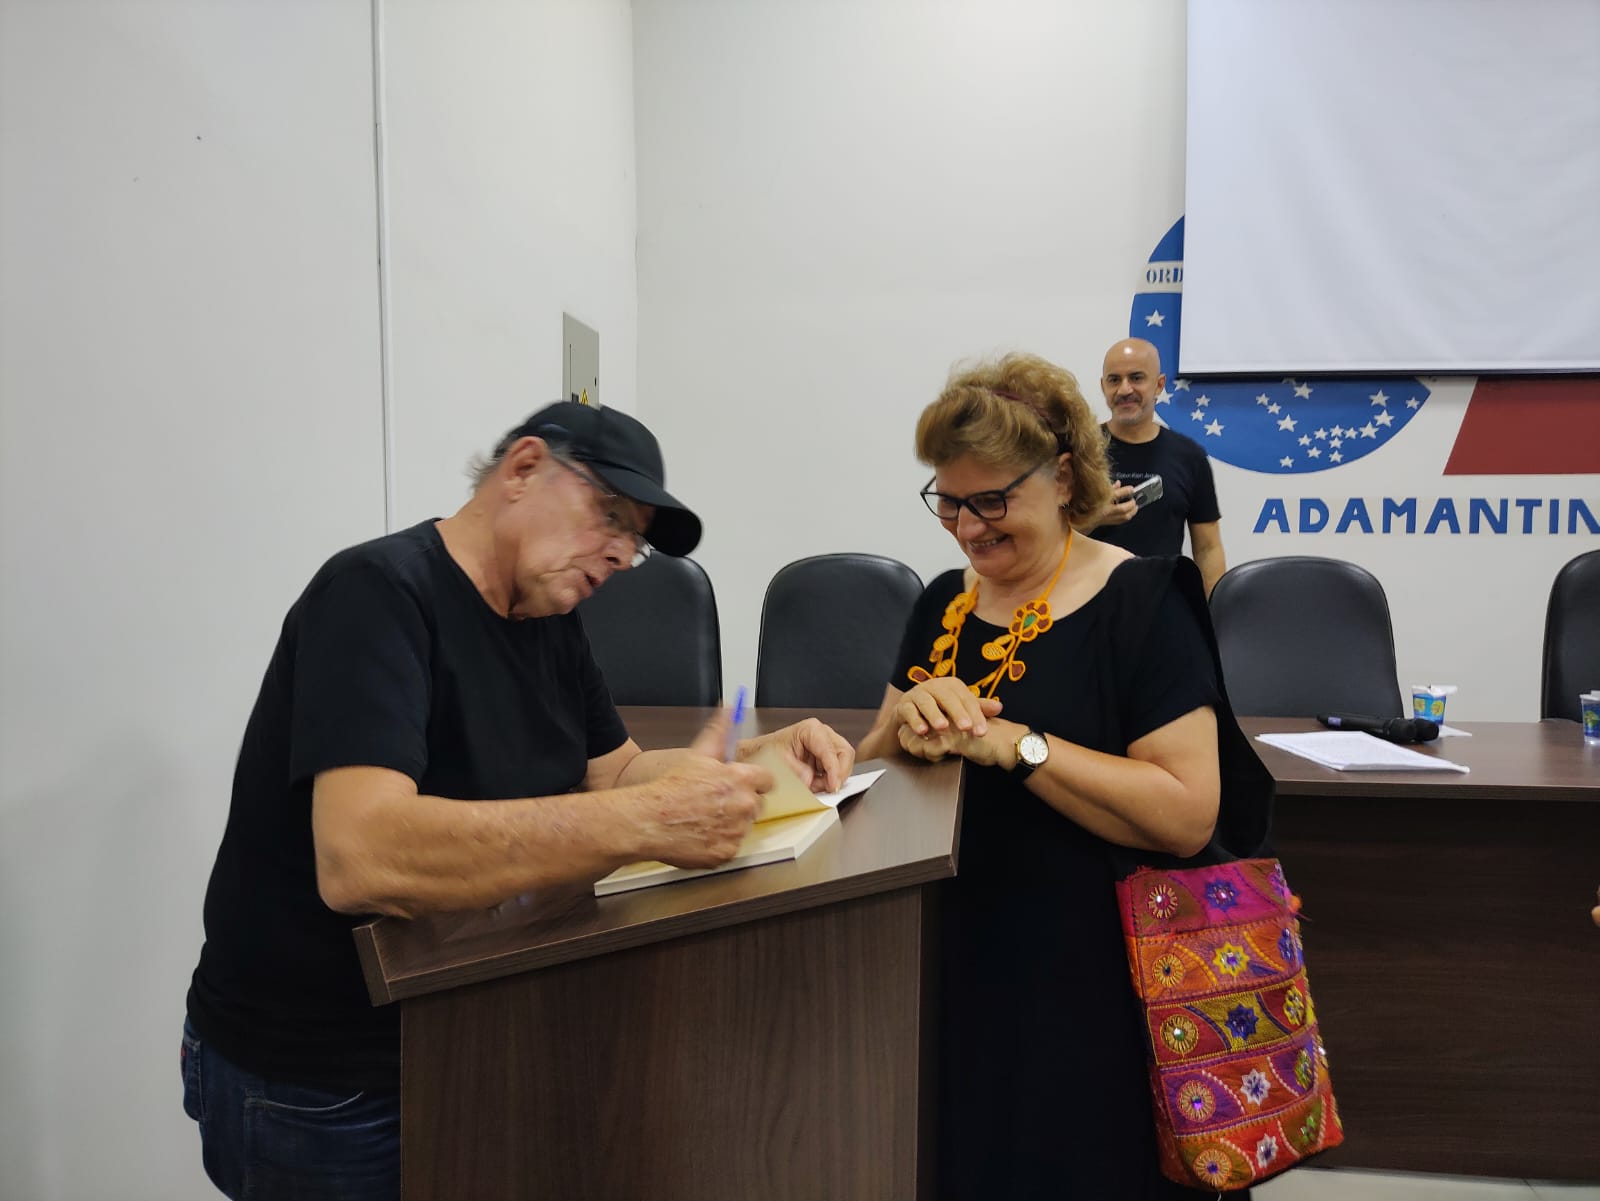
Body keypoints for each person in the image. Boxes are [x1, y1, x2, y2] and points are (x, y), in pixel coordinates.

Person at [180, 401, 855, 1201]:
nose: (617, 554)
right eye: (609, 515)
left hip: (465, 1027)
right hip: (323, 1078)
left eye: (631, 542)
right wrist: (647, 821)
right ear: (524, 468)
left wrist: (755, 765)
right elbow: (360, 857)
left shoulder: (547, 616)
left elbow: (614, 773)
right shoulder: (376, 593)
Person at [857, 353, 1272, 1198]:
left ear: (1063, 474)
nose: (968, 528)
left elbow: (1188, 813)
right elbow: (878, 765)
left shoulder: (1145, 598)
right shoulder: (942, 602)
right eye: (948, 500)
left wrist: (1018, 745)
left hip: (1099, 982)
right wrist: (894, 730)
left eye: (992, 500)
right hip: (955, 961)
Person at [1081, 337, 1227, 596]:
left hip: (1163, 606)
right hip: (1086, 604)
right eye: (1114, 380)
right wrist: (1093, 518)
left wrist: (1214, 617)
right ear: (1103, 387)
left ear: (1159, 385)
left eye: (1136, 378)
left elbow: (1208, 548)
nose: (1125, 389)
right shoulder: (1078, 451)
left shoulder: (1189, 456)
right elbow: (1046, 537)